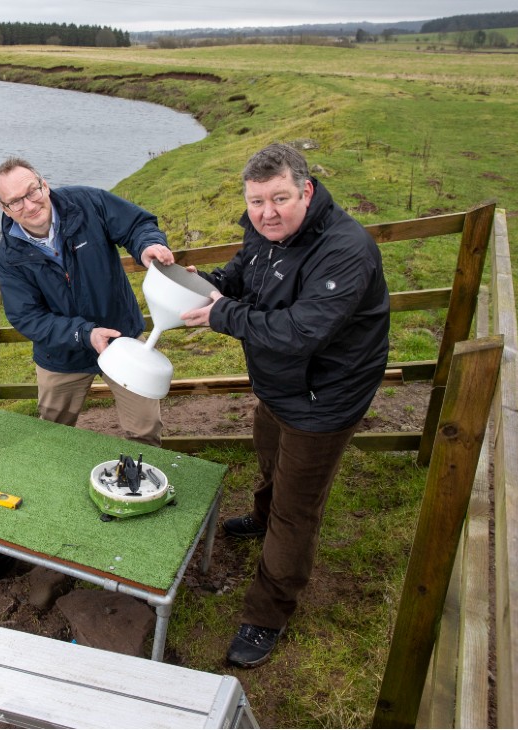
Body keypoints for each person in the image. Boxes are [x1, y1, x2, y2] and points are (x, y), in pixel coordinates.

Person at [180, 143, 390, 668]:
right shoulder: (266, 232)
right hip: (276, 382)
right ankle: (260, 516)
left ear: (306, 191)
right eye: (256, 202)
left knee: (297, 512)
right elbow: (240, 274)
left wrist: (223, 315)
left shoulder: (346, 249)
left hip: (324, 397)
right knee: (270, 456)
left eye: (279, 199)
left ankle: (267, 614)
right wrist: (201, 285)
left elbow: (302, 330)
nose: (267, 213)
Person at [0, 157, 176, 446]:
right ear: (5, 209)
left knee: (144, 429)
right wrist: (84, 334)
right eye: (15, 201)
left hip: (121, 336)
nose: (29, 205)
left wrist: (148, 245)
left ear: (45, 186)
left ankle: (144, 484)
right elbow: (27, 317)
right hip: (62, 354)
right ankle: (55, 482)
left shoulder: (89, 203)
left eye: (32, 191)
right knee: (53, 432)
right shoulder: (9, 256)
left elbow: (136, 225)